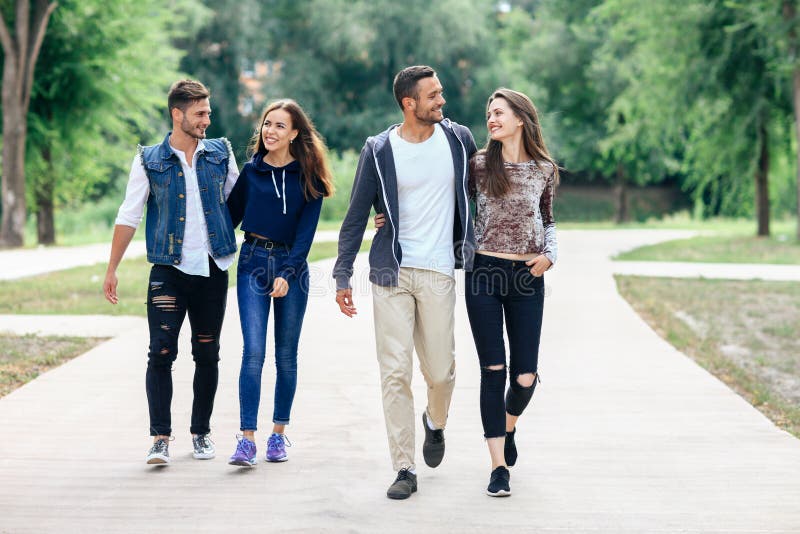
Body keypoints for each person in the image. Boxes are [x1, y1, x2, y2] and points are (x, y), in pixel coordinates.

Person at [333, 65, 477, 500]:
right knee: (394, 371)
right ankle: (404, 467)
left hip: (437, 272)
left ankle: (435, 422)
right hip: (390, 272)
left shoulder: (459, 140)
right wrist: (342, 273)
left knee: (441, 372)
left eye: (441, 94)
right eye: (433, 95)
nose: (442, 101)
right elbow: (358, 213)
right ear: (408, 103)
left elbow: (482, 193)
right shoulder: (378, 149)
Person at [103, 79, 240, 465]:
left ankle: (201, 433)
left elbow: (241, 199)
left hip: (213, 269)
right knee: (160, 352)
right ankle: (160, 437)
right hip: (169, 270)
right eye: (200, 113)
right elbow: (129, 215)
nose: (207, 121)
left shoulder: (220, 153)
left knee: (207, 353)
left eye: (208, 112)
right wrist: (112, 268)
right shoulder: (150, 159)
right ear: (177, 114)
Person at [226, 99, 334, 467]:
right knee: (253, 351)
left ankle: (277, 436)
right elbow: (229, 218)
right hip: (252, 262)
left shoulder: (310, 178)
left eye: (279, 126)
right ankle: (246, 440)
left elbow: (305, 237)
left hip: (292, 267)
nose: (269, 131)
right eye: (266, 124)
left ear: (294, 133)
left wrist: (287, 274)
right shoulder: (250, 172)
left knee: (286, 356)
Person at [466, 88, 558, 496]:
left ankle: (508, 427)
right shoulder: (479, 165)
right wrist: (388, 219)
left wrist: (550, 256)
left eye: (499, 112)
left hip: (526, 276)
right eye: (488, 113)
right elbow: (445, 205)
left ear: (520, 118)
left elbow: (549, 220)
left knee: (524, 377)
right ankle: (497, 465)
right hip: (483, 272)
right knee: (493, 370)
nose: (491, 119)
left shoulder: (544, 169)